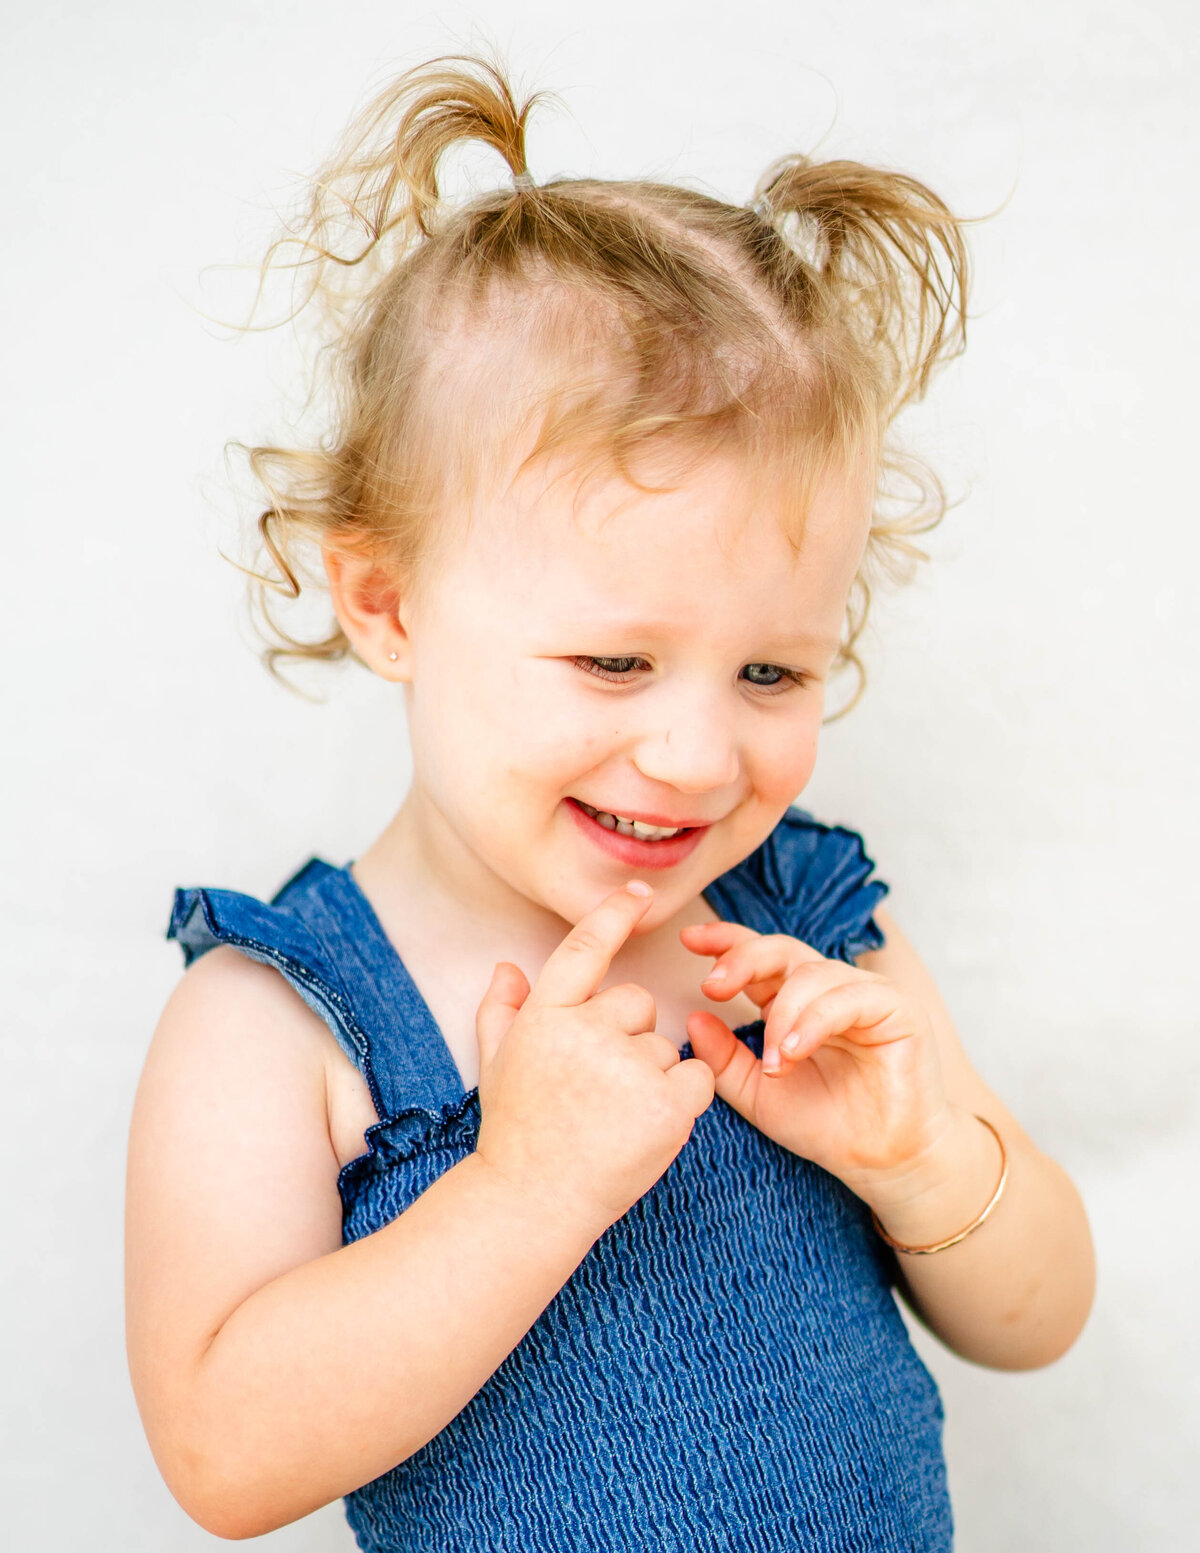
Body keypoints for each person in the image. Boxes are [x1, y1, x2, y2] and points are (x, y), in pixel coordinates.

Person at [124, 53, 1096, 1551]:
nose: (699, 757)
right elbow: (223, 1458)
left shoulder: (807, 931)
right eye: (615, 661)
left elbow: (1040, 1318)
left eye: (771, 671)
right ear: (386, 602)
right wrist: (524, 1188)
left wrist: (923, 1163)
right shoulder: (284, 1018)